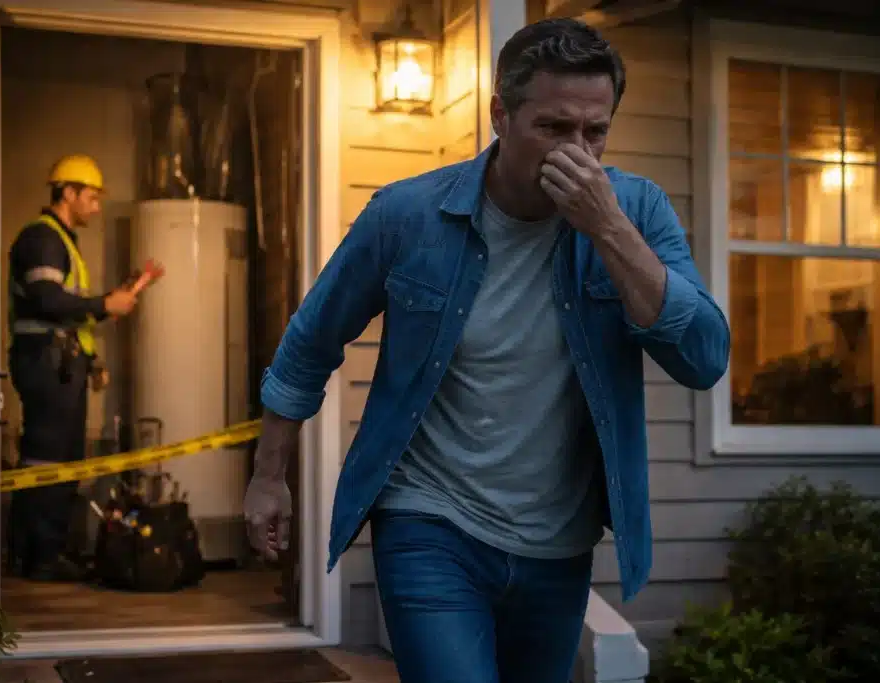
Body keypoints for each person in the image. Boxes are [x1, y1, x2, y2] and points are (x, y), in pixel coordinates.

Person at [243, 17, 730, 683]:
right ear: (501, 113)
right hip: (430, 521)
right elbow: (312, 339)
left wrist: (609, 228)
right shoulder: (407, 215)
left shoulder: (636, 211)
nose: (578, 154)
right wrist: (269, 472)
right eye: (554, 128)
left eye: (595, 133)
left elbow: (704, 356)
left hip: (559, 544)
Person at [8, 154, 137, 582]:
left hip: (60, 364)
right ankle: (38, 556)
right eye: (92, 197)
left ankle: (47, 552)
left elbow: (65, 314)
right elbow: (47, 300)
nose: (97, 207)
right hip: (47, 367)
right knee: (48, 458)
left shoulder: (62, 241)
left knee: (61, 458)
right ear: (68, 193)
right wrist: (105, 304)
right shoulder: (43, 240)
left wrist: (91, 360)